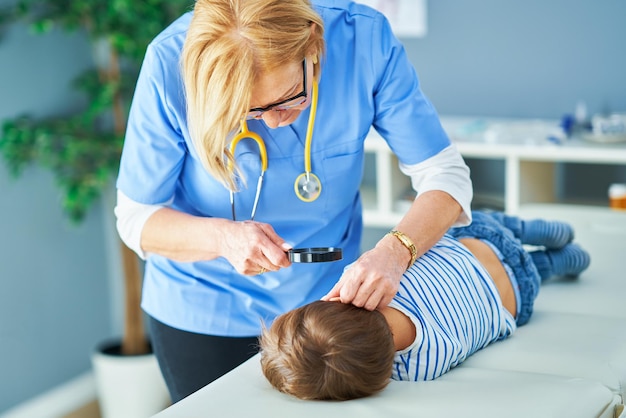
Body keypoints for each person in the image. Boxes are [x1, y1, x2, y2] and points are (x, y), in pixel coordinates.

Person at [114, 0, 473, 402]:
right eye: (250, 112)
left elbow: (446, 177)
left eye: (289, 98)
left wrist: (395, 252)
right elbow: (135, 217)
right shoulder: (170, 65)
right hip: (204, 307)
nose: (273, 122)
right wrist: (223, 239)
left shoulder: (363, 40)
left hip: (324, 310)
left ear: (314, 49)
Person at [259, 211, 591, 400]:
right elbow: (424, 239)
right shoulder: (376, 278)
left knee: (527, 277)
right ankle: (531, 230)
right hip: (487, 240)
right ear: (335, 300)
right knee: (460, 223)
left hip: (519, 295)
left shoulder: (420, 370)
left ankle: (555, 263)